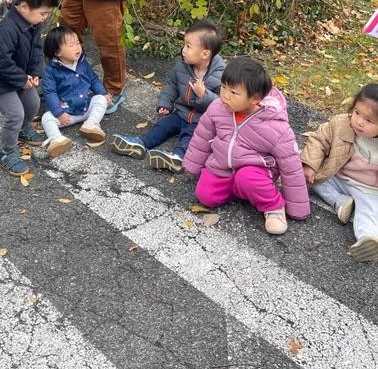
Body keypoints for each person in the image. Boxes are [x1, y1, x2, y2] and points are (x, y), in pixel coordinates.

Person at [183, 57, 310, 235]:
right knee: (205, 196)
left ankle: (273, 207)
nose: (225, 95)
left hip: (255, 170)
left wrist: (298, 208)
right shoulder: (217, 108)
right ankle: (238, 189)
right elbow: (202, 138)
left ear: (255, 99)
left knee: (248, 178)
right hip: (222, 167)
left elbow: (291, 164)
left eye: (234, 92)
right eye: (224, 87)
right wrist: (192, 167)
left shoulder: (274, 124)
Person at [110, 19, 225, 172]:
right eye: (184, 44)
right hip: (181, 112)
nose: (183, 50)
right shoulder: (182, 65)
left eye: (188, 46)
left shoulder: (221, 74)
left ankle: (177, 157)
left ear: (205, 54)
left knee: (190, 138)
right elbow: (171, 85)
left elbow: (222, 104)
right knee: (162, 126)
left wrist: (204, 95)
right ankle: (140, 143)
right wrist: (165, 104)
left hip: (201, 120)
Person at [0, 0, 59, 176]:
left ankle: (23, 129)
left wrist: (34, 73)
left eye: (47, 13)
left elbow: (36, 49)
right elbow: (0, 63)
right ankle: (6, 151)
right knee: (14, 113)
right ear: (23, 7)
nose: (45, 18)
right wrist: (22, 80)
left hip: (19, 74)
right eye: (43, 13)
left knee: (32, 102)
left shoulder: (33, 23)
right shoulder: (7, 30)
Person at [301, 84, 378, 262]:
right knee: (312, 177)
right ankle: (340, 202)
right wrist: (310, 165)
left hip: (367, 189)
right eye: (357, 113)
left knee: (369, 210)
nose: (359, 121)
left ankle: (367, 240)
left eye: (369, 120)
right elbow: (319, 141)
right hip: (336, 175)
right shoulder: (341, 124)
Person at [41, 26, 110, 158]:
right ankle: (57, 139)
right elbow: (50, 93)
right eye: (71, 45)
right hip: (66, 114)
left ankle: (91, 124)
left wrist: (103, 92)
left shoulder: (82, 63)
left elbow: (94, 79)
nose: (77, 47)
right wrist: (59, 113)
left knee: (100, 100)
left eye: (78, 43)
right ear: (57, 52)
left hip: (85, 107)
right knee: (47, 118)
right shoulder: (51, 70)